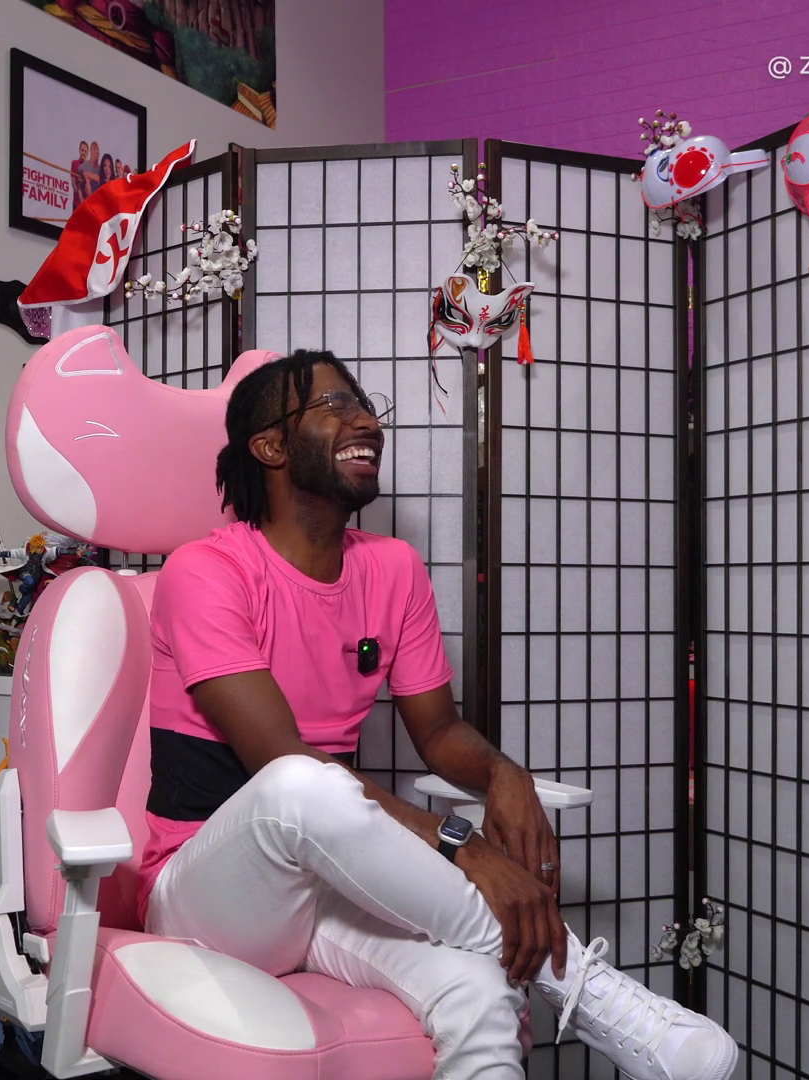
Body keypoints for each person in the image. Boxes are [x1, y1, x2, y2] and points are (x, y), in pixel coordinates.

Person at [141, 350, 736, 1080]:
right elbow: (279, 758)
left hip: (322, 890)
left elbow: (440, 731)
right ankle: (582, 986)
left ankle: (552, 990)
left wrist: (505, 775)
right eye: (334, 405)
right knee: (300, 784)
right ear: (269, 448)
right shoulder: (205, 571)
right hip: (204, 892)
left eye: (366, 405)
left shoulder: (392, 567)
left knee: (483, 994)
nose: (366, 421)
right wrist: (465, 847)